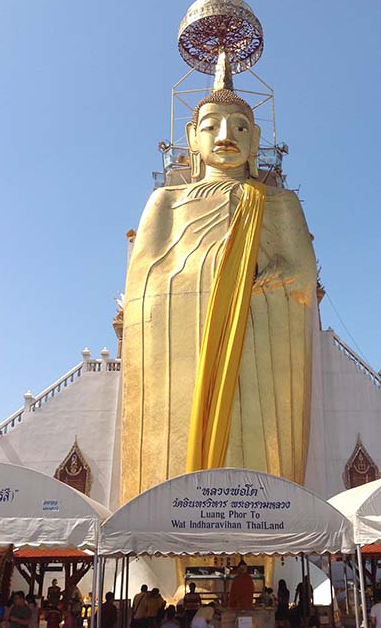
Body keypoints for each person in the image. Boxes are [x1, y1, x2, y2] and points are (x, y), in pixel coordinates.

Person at [121, 60, 318, 500]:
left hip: (261, 350)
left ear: (256, 141)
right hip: (181, 356)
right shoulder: (166, 201)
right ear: (192, 139)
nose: (226, 136)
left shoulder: (278, 202)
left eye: (241, 128)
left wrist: (259, 283)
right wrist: (214, 278)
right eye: (211, 127)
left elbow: (301, 278)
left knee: (261, 442)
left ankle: (264, 530)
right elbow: (143, 286)